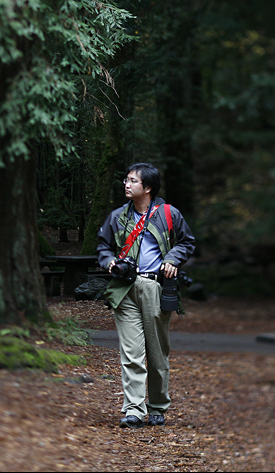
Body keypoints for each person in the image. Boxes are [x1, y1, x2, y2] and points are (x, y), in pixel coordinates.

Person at [96, 162, 196, 429]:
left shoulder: (168, 213)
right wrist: (110, 263)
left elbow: (187, 241)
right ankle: (133, 409)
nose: (126, 184)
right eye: (125, 180)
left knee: (157, 352)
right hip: (124, 287)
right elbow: (103, 247)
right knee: (131, 352)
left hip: (155, 287)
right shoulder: (118, 216)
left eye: (133, 181)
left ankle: (157, 406)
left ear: (148, 187)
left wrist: (173, 258)